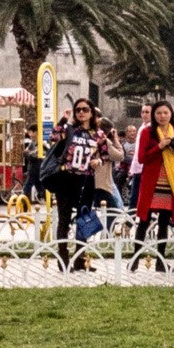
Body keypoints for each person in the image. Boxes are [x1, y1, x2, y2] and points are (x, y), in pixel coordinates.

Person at [130, 100, 174, 269]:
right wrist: (160, 146)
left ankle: (160, 262)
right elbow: (142, 158)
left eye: (165, 113)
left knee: (164, 222)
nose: (162, 116)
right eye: (158, 113)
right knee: (143, 220)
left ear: (171, 114)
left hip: (169, 181)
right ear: (153, 115)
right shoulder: (147, 133)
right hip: (152, 180)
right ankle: (134, 259)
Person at [47, 99, 103, 269]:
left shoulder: (98, 134)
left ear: (91, 112)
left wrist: (98, 161)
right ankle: (62, 259)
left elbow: (105, 155)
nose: (81, 112)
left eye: (85, 109)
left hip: (86, 180)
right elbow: (53, 136)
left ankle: (80, 259)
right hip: (67, 178)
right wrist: (64, 119)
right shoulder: (70, 130)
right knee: (64, 218)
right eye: (78, 109)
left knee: (84, 218)